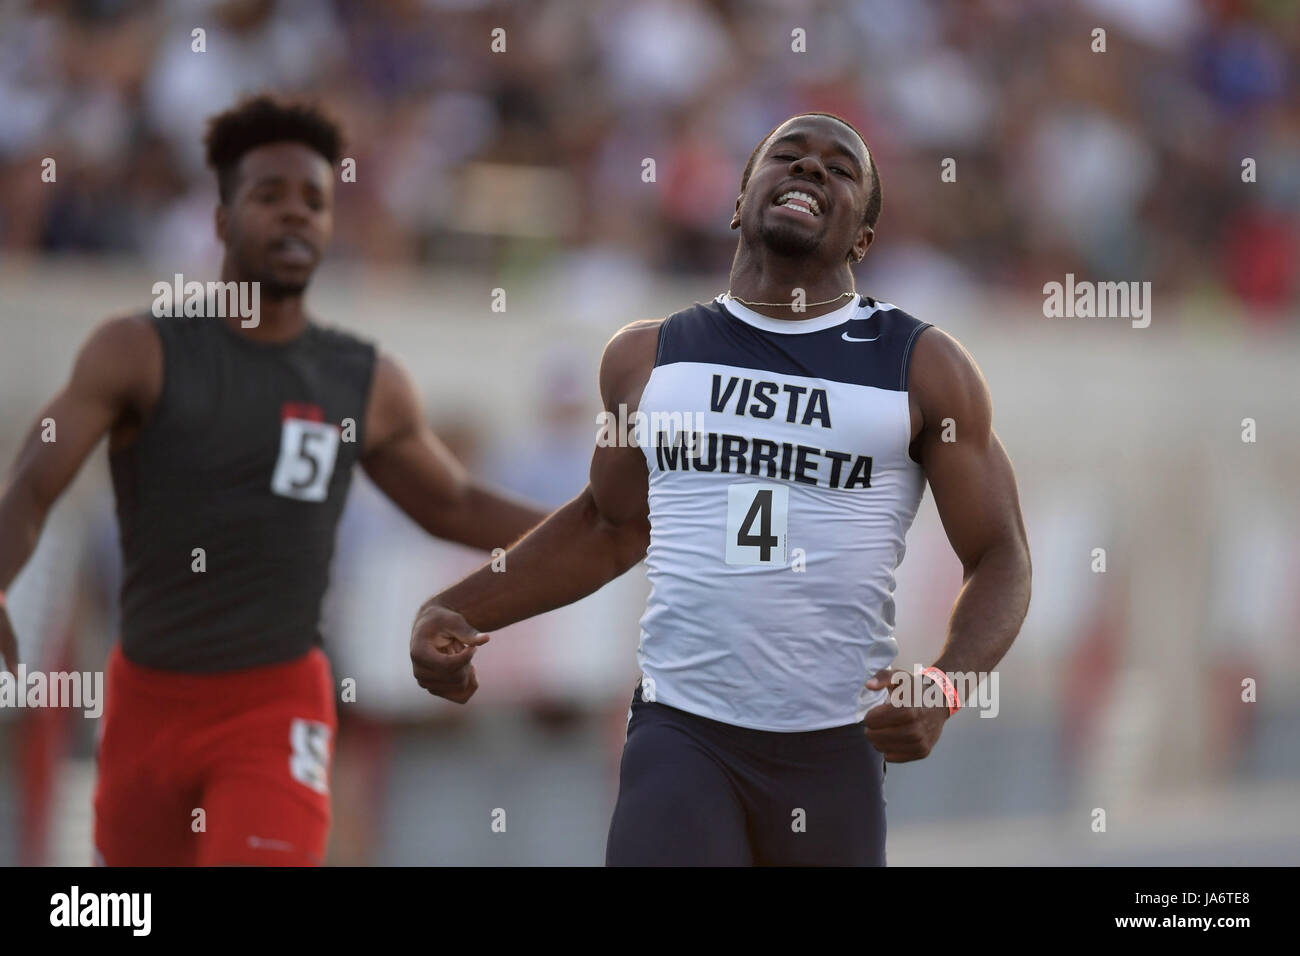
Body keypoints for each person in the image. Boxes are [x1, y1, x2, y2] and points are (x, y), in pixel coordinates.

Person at [410, 112, 1032, 866]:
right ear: (740, 200)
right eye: (789, 156)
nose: (810, 170)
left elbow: (1001, 554)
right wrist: (460, 608)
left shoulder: (923, 366)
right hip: (683, 732)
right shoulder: (645, 359)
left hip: (833, 746)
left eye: (840, 170)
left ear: (862, 241)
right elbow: (609, 526)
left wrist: (944, 683)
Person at [0, 95, 542, 866]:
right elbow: (32, 483)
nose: (295, 215)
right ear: (222, 219)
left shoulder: (362, 380)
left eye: (314, 201)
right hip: (144, 704)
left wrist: (600, 525)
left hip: (276, 701)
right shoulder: (139, 352)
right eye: (270, 196)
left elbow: (451, 502)